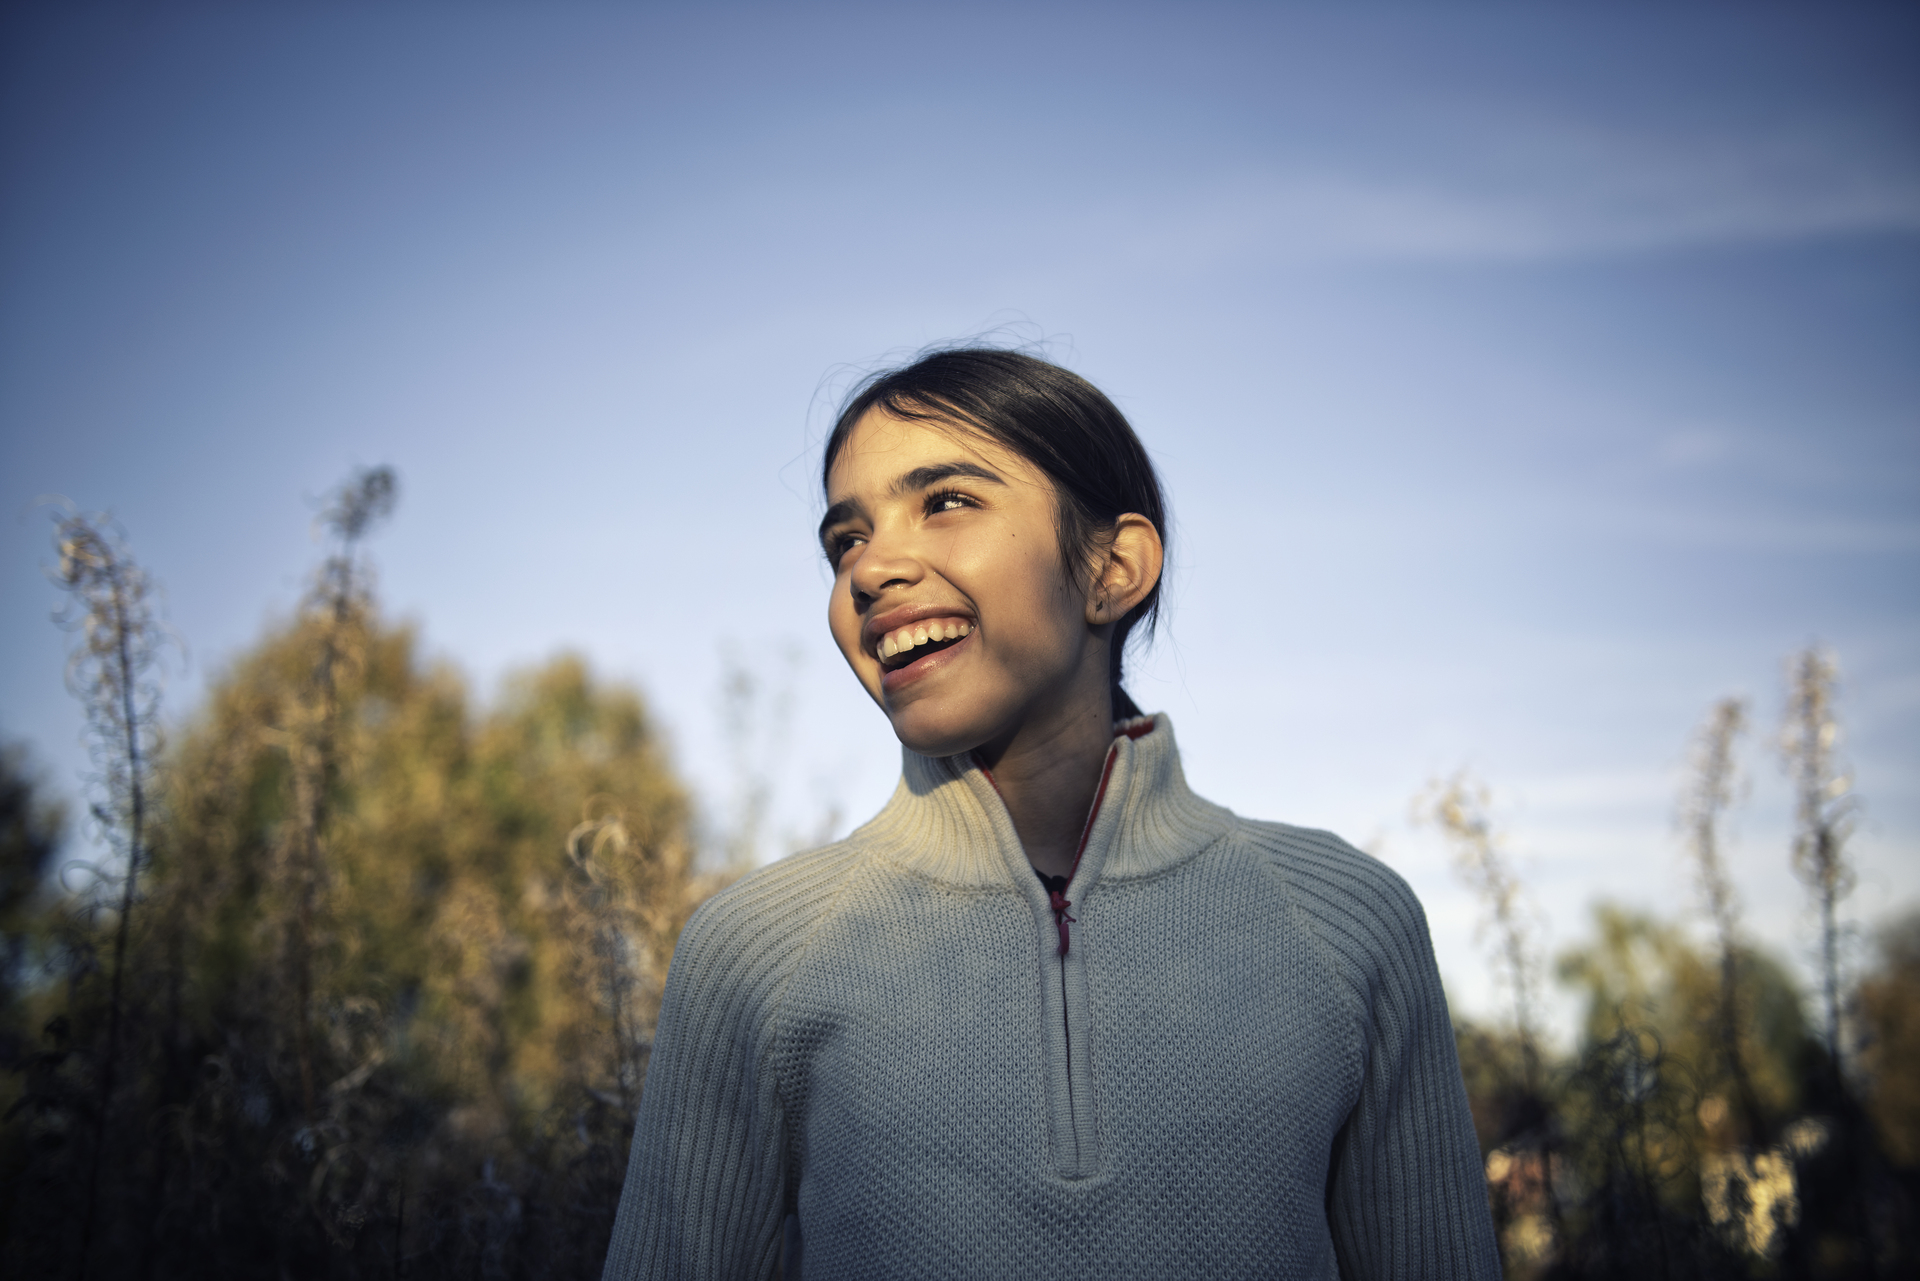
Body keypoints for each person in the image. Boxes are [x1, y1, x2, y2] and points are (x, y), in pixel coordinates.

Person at [602, 349, 1499, 1279]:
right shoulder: (754, 955)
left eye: (945, 500)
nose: (871, 571)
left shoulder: (1346, 924)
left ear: (1113, 568)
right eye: (846, 541)